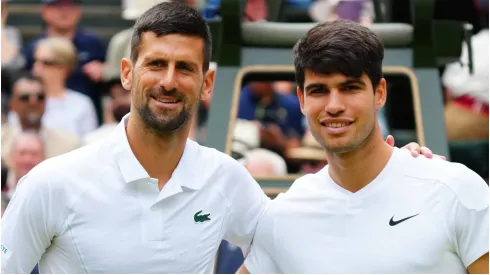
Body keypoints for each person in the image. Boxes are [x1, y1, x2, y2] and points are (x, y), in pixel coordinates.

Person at [1, 4, 436, 274]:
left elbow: (307, 235)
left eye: (185, 68)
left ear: (207, 83)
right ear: (128, 73)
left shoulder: (225, 179)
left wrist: (395, 171)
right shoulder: (52, 183)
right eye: (156, 64)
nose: (169, 81)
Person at [239, 20, 489, 274]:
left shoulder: (455, 190)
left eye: (350, 88)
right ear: (302, 100)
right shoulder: (284, 215)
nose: (334, 105)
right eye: (319, 91)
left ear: (379, 93)